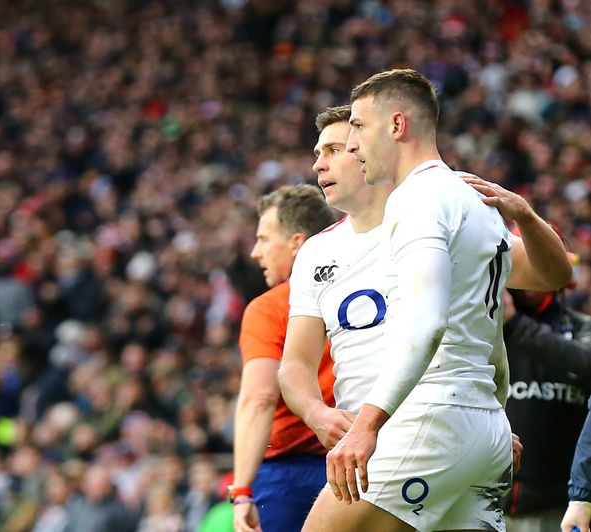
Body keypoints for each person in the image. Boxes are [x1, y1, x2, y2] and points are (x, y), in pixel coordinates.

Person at [281, 88, 571, 531]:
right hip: (426, 427)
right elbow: (294, 365)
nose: (322, 162)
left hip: (413, 423)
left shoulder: (427, 210)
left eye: (339, 146)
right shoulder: (318, 254)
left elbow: (548, 277)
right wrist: (318, 414)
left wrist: (527, 216)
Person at [231, 184, 337, 532]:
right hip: (361, 460)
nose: (254, 252)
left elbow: (260, 398)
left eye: (263, 239)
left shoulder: (270, 307)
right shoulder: (364, 288)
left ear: (296, 242)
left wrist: (242, 491)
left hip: (286, 476)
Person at [502, 276, 591, 532]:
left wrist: (515, 323)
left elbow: (586, 364)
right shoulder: (480, 329)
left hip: (558, 509)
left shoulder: (581, 326)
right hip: (484, 504)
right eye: (520, 268)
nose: (528, 276)